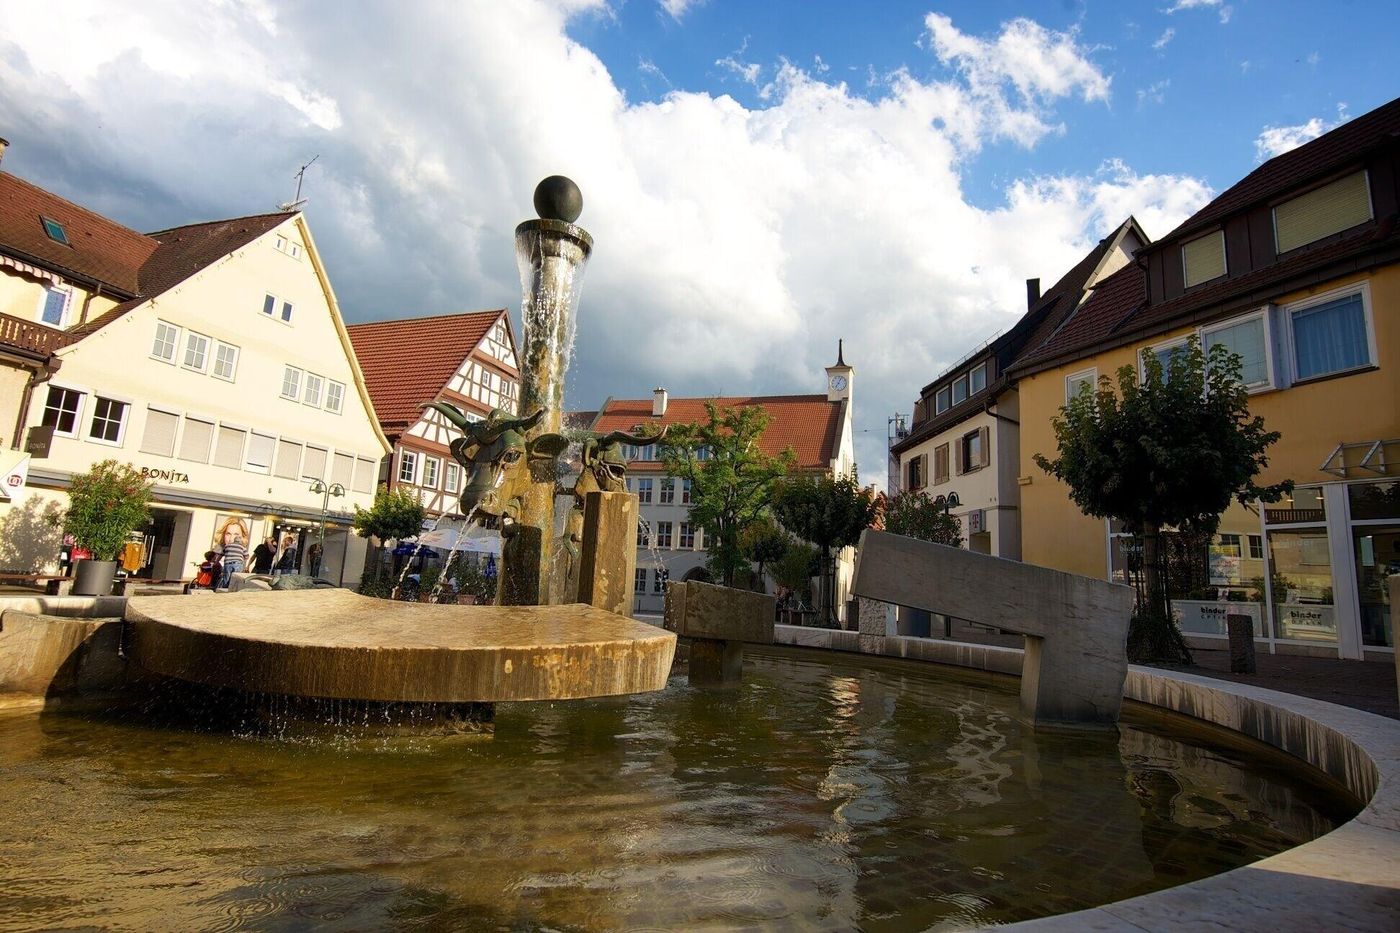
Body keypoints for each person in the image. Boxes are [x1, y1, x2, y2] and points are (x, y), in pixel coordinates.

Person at [218, 524, 248, 589]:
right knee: (236, 578)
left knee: (226, 578)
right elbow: (246, 556)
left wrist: (216, 561)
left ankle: (224, 590)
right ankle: (233, 590)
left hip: (228, 564)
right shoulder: (242, 547)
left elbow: (221, 554)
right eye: (228, 534)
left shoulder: (227, 546)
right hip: (238, 564)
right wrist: (244, 563)